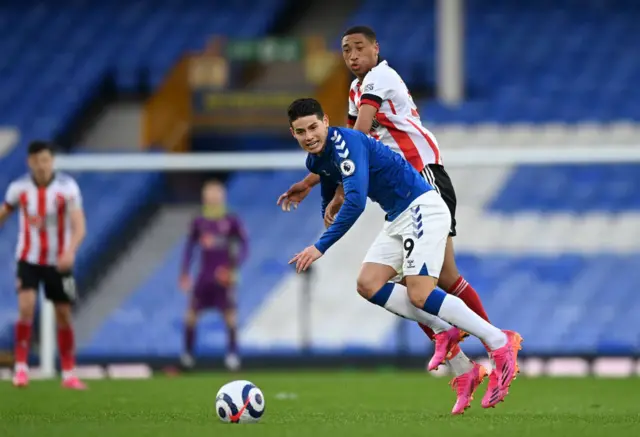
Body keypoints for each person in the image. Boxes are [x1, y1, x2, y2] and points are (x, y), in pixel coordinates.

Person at [277, 25, 493, 413]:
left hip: (421, 174)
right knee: (410, 284)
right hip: (399, 188)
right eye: (346, 50)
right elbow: (337, 145)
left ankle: (488, 346)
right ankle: (466, 363)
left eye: (360, 47)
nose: (353, 55)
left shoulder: (380, 76)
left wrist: (342, 185)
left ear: (376, 49)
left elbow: (354, 140)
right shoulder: (355, 90)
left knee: (437, 280)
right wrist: (313, 182)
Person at [0, 141, 87, 389]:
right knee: (26, 308)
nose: (42, 165)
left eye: (46, 160)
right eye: (38, 160)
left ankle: (69, 373)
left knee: (64, 314)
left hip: (58, 262)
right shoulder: (19, 189)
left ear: (52, 161)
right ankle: (20, 370)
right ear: (30, 162)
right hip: (28, 258)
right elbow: (4, 213)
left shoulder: (67, 188)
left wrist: (70, 251)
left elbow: (80, 225)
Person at [179, 180, 248, 371]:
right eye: (210, 195)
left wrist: (234, 268)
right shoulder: (199, 221)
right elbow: (189, 248)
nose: (213, 198)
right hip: (204, 277)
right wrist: (184, 272)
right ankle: (187, 355)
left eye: (217, 194)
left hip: (224, 278)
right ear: (204, 198)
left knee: (230, 317)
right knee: (191, 316)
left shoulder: (231, 219)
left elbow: (245, 246)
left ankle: (233, 355)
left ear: (222, 197)